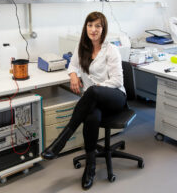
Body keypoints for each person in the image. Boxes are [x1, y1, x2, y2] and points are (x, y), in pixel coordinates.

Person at [41, 11, 126, 190]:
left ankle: (60, 142)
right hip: (93, 100)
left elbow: (118, 80)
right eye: (90, 25)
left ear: (103, 29)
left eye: (97, 26)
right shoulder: (82, 48)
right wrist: (73, 75)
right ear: (85, 27)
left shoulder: (111, 50)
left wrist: (96, 87)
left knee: (93, 91)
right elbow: (72, 65)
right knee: (91, 117)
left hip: (115, 97)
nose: (93, 30)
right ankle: (90, 167)